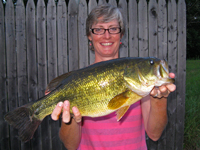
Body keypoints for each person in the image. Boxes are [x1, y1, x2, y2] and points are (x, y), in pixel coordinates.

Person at [50, 4, 176, 150]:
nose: (107, 35)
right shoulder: (78, 82)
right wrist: (70, 117)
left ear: (121, 34)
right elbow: (70, 146)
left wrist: (160, 98)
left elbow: (155, 134)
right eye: (98, 29)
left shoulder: (143, 87)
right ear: (89, 36)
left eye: (113, 29)